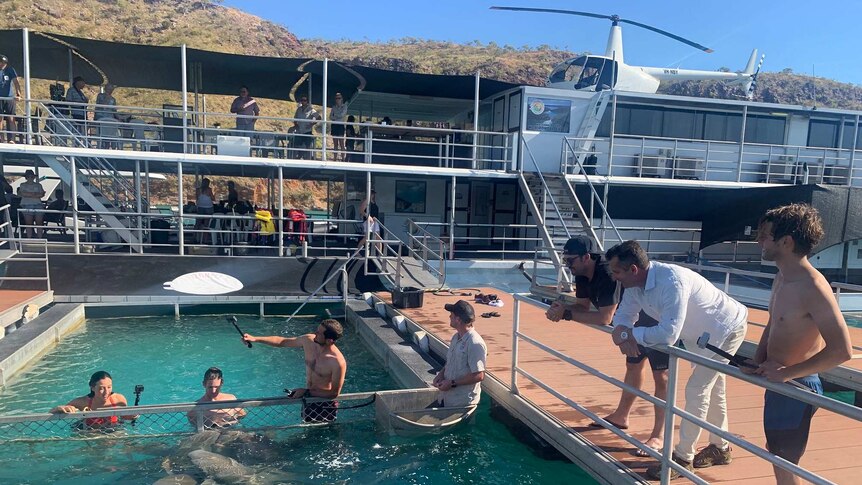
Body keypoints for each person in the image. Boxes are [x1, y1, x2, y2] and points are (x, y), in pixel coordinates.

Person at [606, 240, 748, 480]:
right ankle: (720, 448)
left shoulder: (671, 281)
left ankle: (682, 459)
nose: (613, 277)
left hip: (725, 327)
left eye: (616, 272)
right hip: (698, 335)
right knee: (714, 389)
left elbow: (668, 334)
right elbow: (622, 317)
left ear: (633, 270)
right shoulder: (633, 286)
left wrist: (631, 335)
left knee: (697, 389)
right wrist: (622, 334)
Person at [745, 204, 852, 485]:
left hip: (797, 387)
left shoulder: (813, 287)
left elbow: (842, 350)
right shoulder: (782, 277)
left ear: (786, 241)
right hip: (778, 382)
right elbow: (774, 321)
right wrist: (759, 358)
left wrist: (787, 374)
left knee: (784, 461)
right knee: (777, 455)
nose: (759, 241)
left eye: (764, 235)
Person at [545, 236, 668, 456]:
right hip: (630, 324)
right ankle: (622, 415)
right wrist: (561, 307)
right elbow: (582, 306)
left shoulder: (605, 273)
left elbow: (605, 317)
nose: (567, 265)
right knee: (633, 367)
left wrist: (567, 315)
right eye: (565, 261)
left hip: (653, 321)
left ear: (586, 257)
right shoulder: (581, 274)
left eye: (570, 261)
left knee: (662, 377)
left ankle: (659, 435)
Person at [243, 319, 346, 422]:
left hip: (324, 404)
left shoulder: (337, 362)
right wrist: (255, 339)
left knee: (322, 432)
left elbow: (333, 393)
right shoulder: (308, 341)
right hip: (308, 398)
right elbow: (282, 342)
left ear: (329, 340)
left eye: (319, 333)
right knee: (307, 427)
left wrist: (306, 391)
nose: (315, 334)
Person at [432, 300, 487, 407]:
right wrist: (441, 374)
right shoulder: (455, 337)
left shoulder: (475, 343)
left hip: (462, 403)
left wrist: (452, 383)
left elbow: (479, 375)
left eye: (451, 315)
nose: (449, 317)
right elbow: (451, 362)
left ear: (458, 319)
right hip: (446, 398)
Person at [50, 370, 136, 430]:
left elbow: (124, 418)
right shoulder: (84, 402)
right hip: (92, 433)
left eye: (109, 387)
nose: (106, 392)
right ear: (92, 388)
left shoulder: (118, 400)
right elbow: (52, 412)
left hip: (113, 431)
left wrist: (131, 416)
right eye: (101, 388)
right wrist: (60, 408)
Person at [0, 54, 22, 143]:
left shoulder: (10, 70)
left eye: (4, 63)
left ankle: (12, 139)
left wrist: (18, 94)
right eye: (1, 62)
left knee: (11, 118)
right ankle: (1, 138)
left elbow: (16, 82)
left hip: (9, 97)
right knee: (0, 118)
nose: (2, 64)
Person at [17, 169, 45, 238]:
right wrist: (35, 194)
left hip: (38, 205)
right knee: (28, 223)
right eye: (28, 176)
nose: (30, 178)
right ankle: (29, 238)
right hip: (27, 205)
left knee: (39, 223)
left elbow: (41, 194)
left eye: (31, 176)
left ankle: (40, 238)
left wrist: (28, 194)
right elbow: (22, 193)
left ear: (34, 177)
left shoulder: (39, 185)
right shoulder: (22, 185)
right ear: (26, 177)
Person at [293, 96, 320, 160]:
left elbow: (319, 117)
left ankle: (307, 159)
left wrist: (312, 124)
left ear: (307, 101)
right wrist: (296, 125)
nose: (303, 102)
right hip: (299, 131)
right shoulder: (298, 109)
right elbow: (295, 118)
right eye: (302, 100)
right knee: (297, 146)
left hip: (307, 131)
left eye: (304, 100)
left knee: (307, 146)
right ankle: (297, 158)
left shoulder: (311, 109)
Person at [330, 92, 348, 160]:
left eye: (339, 98)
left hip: (340, 125)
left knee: (341, 143)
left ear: (342, 99)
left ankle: (343, 158)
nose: (337, 99)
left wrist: (335, 116)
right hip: (334, 125)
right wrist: (337, 117)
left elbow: (342, 115)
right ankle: (335, 158)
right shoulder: (334, 107)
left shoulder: (344, 106)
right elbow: (330, 116)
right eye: (336, 98)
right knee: (335, 143)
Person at [196, 178, 214, 244]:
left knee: (197, 223)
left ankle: (194, 238)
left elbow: (197, 198)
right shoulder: (209, 190)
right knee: (206, 225)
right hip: (208, 207)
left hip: (200, 207)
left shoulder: (198, 190)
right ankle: (205, 240)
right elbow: (213, 198)